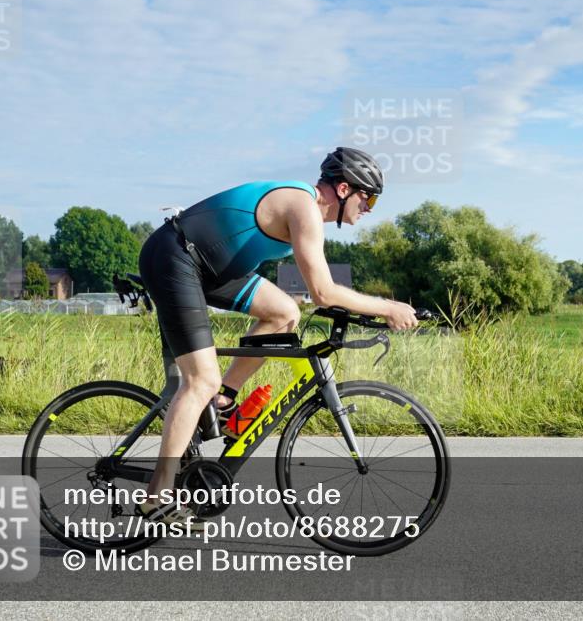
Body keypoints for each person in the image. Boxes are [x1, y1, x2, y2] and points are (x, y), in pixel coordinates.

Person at [136, 147, 418, 525]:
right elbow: (323, 291)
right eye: (370, 197)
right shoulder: (303, 206)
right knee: (199, 380)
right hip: (175, 257)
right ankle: (157, 496)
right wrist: (387, 307)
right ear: (346, 188)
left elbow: (315, 297)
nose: (370, 208)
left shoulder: (309, 210)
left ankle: (224, 400)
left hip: (209, 267)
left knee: (285, 313)